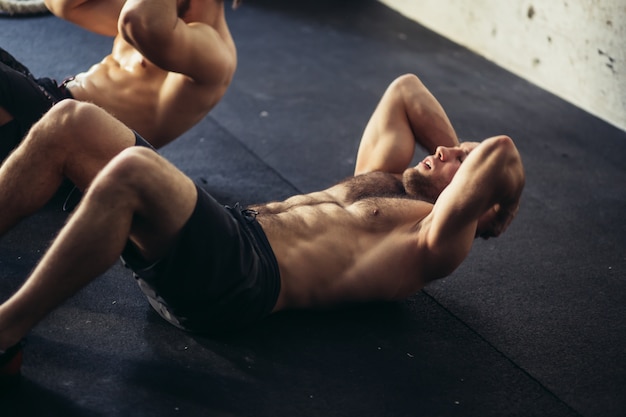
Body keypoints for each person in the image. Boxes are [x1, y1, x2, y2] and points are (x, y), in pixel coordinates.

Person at [0, 74, 525, 387]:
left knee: (131, 171)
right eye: (456, 143)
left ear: (475, 206)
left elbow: (500, 154)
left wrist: (478, 191)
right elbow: (404, 90)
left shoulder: (431, 241)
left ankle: (6, 332)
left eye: (462, 158)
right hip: (225, 231)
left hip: (242, 281)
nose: (445, 148)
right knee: (70, 119)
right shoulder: (385, 176)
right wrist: (450, 160)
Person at [0, 0, 239, 160]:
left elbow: (140, 22)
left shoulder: (217, 54)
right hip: (50, 98)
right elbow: (65, 5)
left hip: (74, 142)